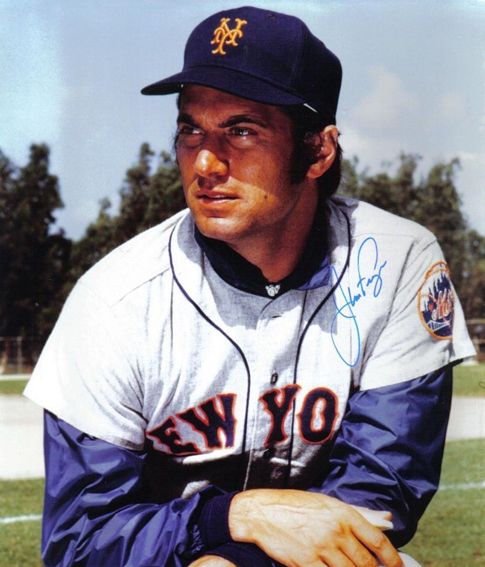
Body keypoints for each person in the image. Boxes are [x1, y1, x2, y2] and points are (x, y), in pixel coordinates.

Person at [25, 6, 475, 567]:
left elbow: (382, 490)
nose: (205, 162)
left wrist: (236, 561)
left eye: (241, 131)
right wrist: (230, 517)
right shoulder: (114, 300)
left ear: (318, 150)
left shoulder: (396, 260)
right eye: (190, 129)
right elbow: (79, 540)